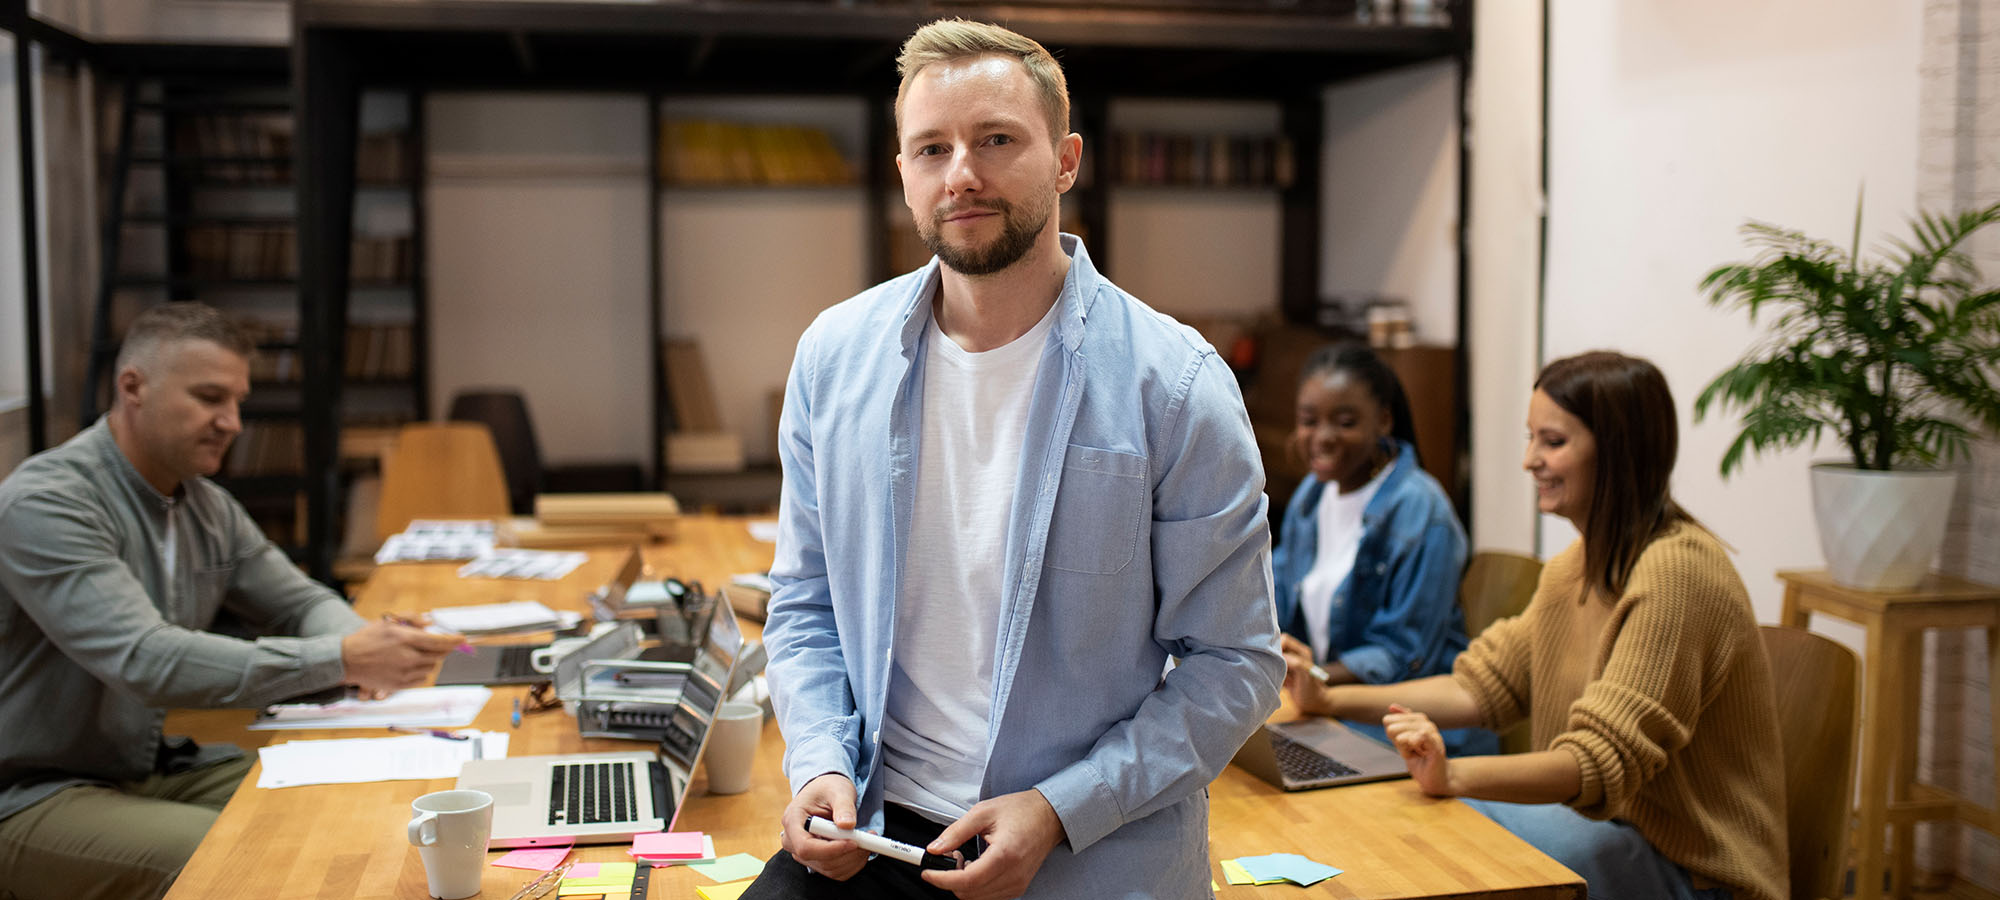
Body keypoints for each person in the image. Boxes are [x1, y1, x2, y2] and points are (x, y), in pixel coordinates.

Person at [749, 18, 1283, 900]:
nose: (962, 173)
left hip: (1087, 846)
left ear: (1067, 160)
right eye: (932, 149)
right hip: (876, 827)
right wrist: (817, 764)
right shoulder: (832, 358)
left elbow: (1238, 663)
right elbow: (804, 605)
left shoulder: (1176, 386)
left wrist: (1059, 808)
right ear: (905, 178)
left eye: (996, 139)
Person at [0, 302, 463, 900]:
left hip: (146, 766)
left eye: (237, 401)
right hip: (34, 793)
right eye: (210, 397)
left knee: (361, 806)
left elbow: (298, 602)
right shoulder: (49, 502)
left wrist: (366, 647)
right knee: (250, 857)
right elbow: (145, 659)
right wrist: (345, 658)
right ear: (132, 387)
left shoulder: (206, 505)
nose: (233, 422)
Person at [1290, 351, 1786, 900]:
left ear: (1619, 451)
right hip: (1609, 834)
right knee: (1413, 824)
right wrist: (1329, 699)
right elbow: (1479, 686)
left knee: (1438, 838)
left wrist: (1454, 777)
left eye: (1552, 442)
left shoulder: (1676, 574)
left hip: (1694, 873)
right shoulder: (1575, 565)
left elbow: (1596, 763)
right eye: (1530, 438)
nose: (1529, 461)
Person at [1271, 343, 1494, 756]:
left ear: (1384, 421)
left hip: (1413, 734)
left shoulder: (1421, 511)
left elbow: (1403, 656)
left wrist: (1314, 675)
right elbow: (1276, 599)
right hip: (1330, 715)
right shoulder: (1311, 497)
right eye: (1308, 421)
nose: (1321, 437)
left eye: (1345, 421)